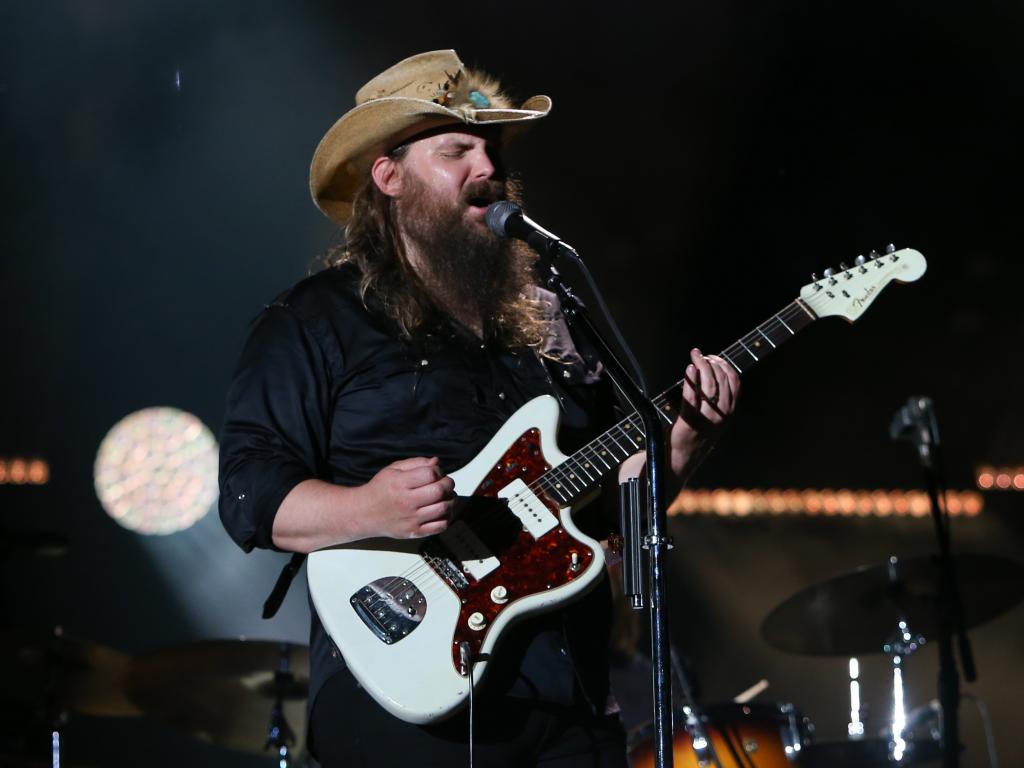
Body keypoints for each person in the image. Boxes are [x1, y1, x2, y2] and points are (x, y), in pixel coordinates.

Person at [219, 49, 739, 768]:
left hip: (566, 695)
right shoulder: (316, 320)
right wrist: (370, 508)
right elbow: (248, 493)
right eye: (457, 148)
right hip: (403, 693)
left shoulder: (547, 326)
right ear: (389, 175)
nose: (486, 167)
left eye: (490, 149)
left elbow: (609, 514)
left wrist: (682, 443)